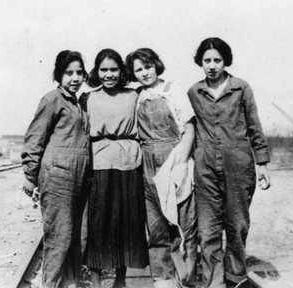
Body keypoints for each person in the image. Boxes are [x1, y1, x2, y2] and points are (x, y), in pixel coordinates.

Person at [187, 37, 271, 288]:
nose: (212, 65)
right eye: (206, 60)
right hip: (205, 170)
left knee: (237, 225)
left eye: (217, 60)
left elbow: (255, 126)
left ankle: (235, 277)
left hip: (239, 167)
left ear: (226, 61)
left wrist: (263, 163)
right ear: (200, 63)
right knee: (208, 229)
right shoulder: (194, 92)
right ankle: (214, 281)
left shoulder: (241, 88)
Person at [126, 48, 198, 288]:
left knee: (183, 224)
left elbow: (189, 129)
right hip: (147, 166)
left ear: (156, 65)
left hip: (174, 159)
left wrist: (180, 164)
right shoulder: (137, 97)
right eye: (138, 69)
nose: (144, 73)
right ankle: (163, 281)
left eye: (147, 67)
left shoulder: (173, 90)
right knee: (156, 228)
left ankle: (188, 279)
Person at [21, 50, 91, 288]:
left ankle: (71, 284)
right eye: (69, 73)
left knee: (77, 237)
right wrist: (30, 176)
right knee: (59, 236)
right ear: (59, 75)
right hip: (58, 176)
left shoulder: (80, 103)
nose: (75, 78)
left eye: (79, 73)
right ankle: (51, 284)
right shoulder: (52, 99)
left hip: (80, 177)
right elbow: (35, 137)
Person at [81, 48, 149, 288]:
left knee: (126, 223)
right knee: (98, 224)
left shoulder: (134, 95)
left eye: (113, 69)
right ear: (96, 72)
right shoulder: (88, 98)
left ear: (121, 71)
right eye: (103, 69)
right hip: (99, 165)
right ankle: (97, 282)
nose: (108, 74)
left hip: (129, 164)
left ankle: (121, 280)